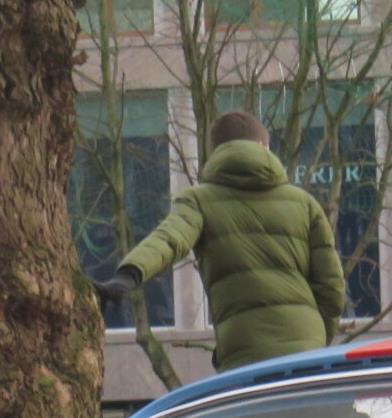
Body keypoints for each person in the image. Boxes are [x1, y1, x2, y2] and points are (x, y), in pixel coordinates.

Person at [104, 111, 348, 372]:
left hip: (243, 350)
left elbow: (168, 239)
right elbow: (332, 288)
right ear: (264, 147)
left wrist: (128, 274)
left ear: (216, 152)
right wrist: (318, 338)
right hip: (306, 346)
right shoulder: (304, 203)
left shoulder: (198, 200)